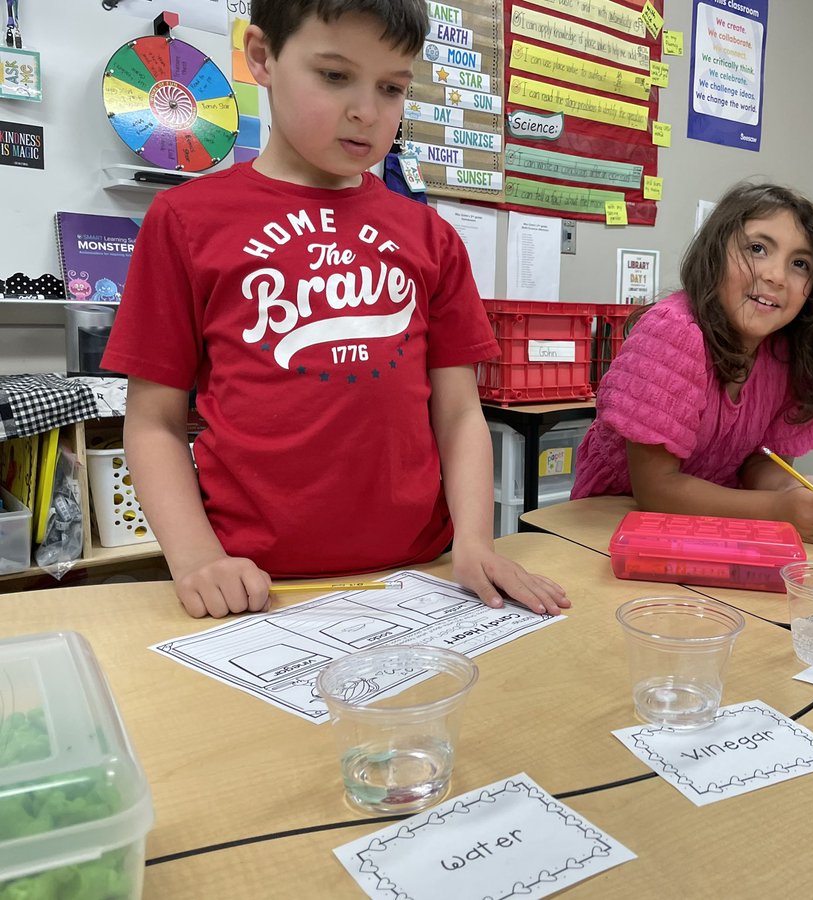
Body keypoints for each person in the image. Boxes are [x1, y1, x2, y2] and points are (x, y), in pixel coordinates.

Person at [101, 0, 567, 619]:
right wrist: (195, 557)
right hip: (254, 588)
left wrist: (476, 540)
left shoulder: (430, 238)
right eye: (334, 75)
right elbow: (153, 422)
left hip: (417, 577)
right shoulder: (185, 222)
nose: (366, 112)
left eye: (392, 87)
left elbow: (459, 415)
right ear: (262, 57)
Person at [571, 182, 813, 545]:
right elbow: (655, 490)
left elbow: (757, 463)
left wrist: (796, 491)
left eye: (800, 264)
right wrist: (779, 509)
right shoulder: (674, 332)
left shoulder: (785, 353)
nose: (776, 275)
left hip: (711, 527)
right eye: (758, 249)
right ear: (715, 254)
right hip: (611, 528)